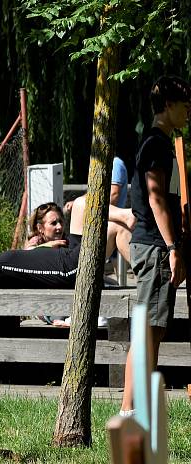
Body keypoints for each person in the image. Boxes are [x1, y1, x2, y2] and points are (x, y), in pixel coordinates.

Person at [120, 76, 190, 417]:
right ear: (168, 105)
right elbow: (157, 198)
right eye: (184, 104)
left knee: (154, 331)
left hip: (155, 246)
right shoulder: (156, 144)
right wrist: (173, 246)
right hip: (155, 246)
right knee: (147, 332)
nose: (188, 110)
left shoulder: (159, 142)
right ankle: (131, 410)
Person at [0, 198, 134, 289]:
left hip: (70, 258)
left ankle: (127, 214)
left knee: (81, 203)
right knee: (114, 229)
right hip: (70, 269)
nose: (59, 227)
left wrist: (43, 247)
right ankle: (147, 275)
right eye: (53, 223)